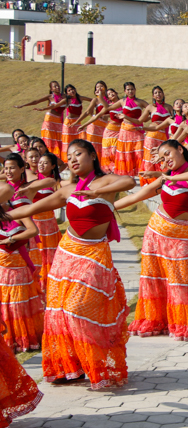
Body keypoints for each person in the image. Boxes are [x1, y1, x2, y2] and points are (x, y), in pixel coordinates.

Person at [7, 139, 135, 389]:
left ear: (93, 156)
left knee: (78, 309)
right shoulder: (68, 190)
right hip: (67, 254)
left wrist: (97, 193)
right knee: (59, 312)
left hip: (95, 255)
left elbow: (129, 181)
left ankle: (96, 362)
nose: (73, 160)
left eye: (79, 154)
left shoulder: (106, 182)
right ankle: (70, 367)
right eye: (70, 156)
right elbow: (30, 209)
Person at [114, 140, 188, 340]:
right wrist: (104, 207)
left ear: (181, 149)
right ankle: (158, 320)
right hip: (155, 235)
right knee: (155, 280)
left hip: (181, 238)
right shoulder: (167, 179)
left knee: (182, 280)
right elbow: (135, 197)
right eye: (162, 156)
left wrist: (166, 176)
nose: (166, 158)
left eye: (168, 153)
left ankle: (184, 322)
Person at [0, 171, 41, 353]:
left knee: (19, 301)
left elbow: (32, 230)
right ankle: (10, 337)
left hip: (19, 263)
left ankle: (24, 338)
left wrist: (9, 241)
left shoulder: (16, 210)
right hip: (2, 265)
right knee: (5, 301)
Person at [84, 82, 148, 177]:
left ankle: (140, 174)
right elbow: (108, 107)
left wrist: (143, 120)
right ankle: (127, 175)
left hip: (137, 130)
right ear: (125, 91)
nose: (130, 91)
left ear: (135, 90)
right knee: (126, 152)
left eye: (132, 89)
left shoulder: (141, 102)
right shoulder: (122, 101)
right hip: (124, 130)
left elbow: (151, 111)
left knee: (139, 153)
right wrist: (100, 96)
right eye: (128, 89)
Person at [28, 153, 61, 294]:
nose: (41, 165)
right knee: (36, 253)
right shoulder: (31, 179)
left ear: (53, 166)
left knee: (49, 254)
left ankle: (49, 285)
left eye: (45, 163)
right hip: (33, 222)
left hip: (48, 225)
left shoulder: (56, 182)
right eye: (40, 162)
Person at [15, 81, 65, 159]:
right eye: (55, 86)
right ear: (51, 89)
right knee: (49, 139)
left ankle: (57, 158)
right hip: (49, 119)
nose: (57, 87)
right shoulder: (50, 96)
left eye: (58, 86)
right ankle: (47, 156)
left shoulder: (65, 97)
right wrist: (23, 105)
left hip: (58, 120)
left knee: (58, 139)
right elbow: (36, 101)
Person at [137, 86, 176, 186]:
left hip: (163, 135)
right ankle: (149, 180)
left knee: (162, 156)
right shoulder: (150, 107)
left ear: (163, 94)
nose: (158, 94)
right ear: (153, 95)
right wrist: (127, 119)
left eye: (160, 92)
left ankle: (162, 178)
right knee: (150, 156)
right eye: (156, 93)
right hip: (151, 136)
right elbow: (140, 120)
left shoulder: (169, 107)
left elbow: (175, 120)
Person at [73, 81, 109, 157]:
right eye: (97, 87)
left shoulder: (110, 98)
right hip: (95, 125)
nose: (99, 88)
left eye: (101, 86)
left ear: (105, 88)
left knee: (104, 145)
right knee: (94, 145)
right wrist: (77, 121)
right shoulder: (95, 100)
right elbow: (87, 112)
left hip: (106, 126)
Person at [58, 85, 91, 163]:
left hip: (77, 121)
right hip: (69, 123)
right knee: (68, 141)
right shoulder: (67, 100)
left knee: (82, 138)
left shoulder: (80, 98)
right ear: (67, 93)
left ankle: (81, 157)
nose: (71, 91)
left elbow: (93, 100)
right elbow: (56, 105)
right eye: (69, 90)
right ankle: (67, 161)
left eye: (72, 89)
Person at [100, 89, 122, 173]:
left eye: (112, 92)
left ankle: (116, 168)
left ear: (116, 93)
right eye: (109, 94)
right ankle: (110, 170)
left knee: (115, 150)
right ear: (108, 98)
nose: (111, 94)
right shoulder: (109, 106)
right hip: (109, 132)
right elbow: (99, 114)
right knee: (107, 152)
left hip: (120, 131)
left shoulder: (123, 103)